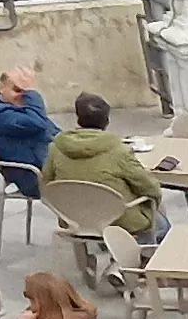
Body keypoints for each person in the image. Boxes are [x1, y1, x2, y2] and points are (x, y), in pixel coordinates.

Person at [44, 92, 168, 243]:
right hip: (120, 219)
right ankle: (144, 258)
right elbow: (150, 188)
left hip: (74, 218)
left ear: (78, 118)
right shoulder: (118, 151)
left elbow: (47, 183)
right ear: (107, 121)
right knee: (162, 224)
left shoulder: (55, 148)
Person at [0, 67, 56, 197]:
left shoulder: (22, 108)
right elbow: (38, 123)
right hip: (34, 178)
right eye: (17, 90)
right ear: (1, 88)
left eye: (25, 91)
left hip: (50, 170)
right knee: (91, 185)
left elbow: (54, 133)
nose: (23, 96)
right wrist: (31, 92)